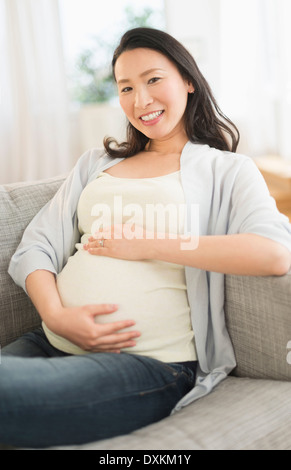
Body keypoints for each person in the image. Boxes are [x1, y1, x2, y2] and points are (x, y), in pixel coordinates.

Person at [1, 27, 291, 449]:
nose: (141, 100)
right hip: (50, 340)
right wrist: (57, 316)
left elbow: (273, 254)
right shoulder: (95, 164)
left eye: (154, 79)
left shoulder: (226, 170)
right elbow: (37, 246)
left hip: (149, 365)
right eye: (126, 87)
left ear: (188, 80)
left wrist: (149, 243)